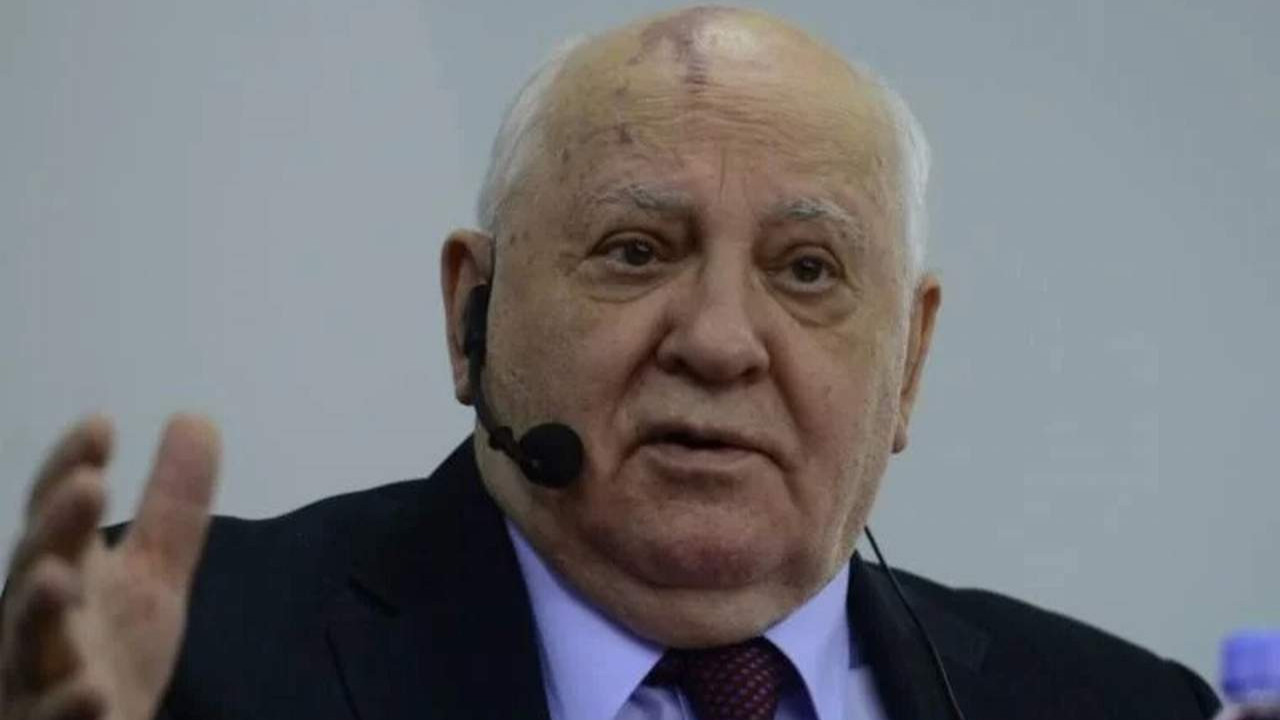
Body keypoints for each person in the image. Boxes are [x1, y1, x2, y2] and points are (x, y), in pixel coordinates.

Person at [0, 6, 1221, 720]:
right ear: (471, 315)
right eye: (635, 251)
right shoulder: (158, 666)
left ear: (908, 363)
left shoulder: (1121, 706)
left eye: (805, 270)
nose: (718, 341)